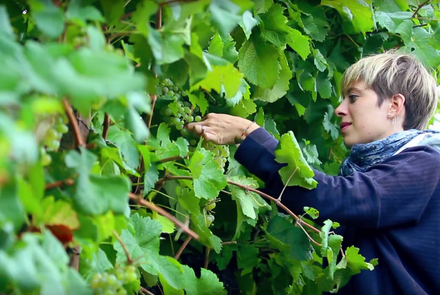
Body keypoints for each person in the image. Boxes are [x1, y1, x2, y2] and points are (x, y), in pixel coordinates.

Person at [186, 51, 440, 295]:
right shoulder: (380, 172)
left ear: (394, 105)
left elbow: (336, 198)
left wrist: (250, 135)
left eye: (352, 97)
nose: (339, 109)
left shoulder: (427, 165)